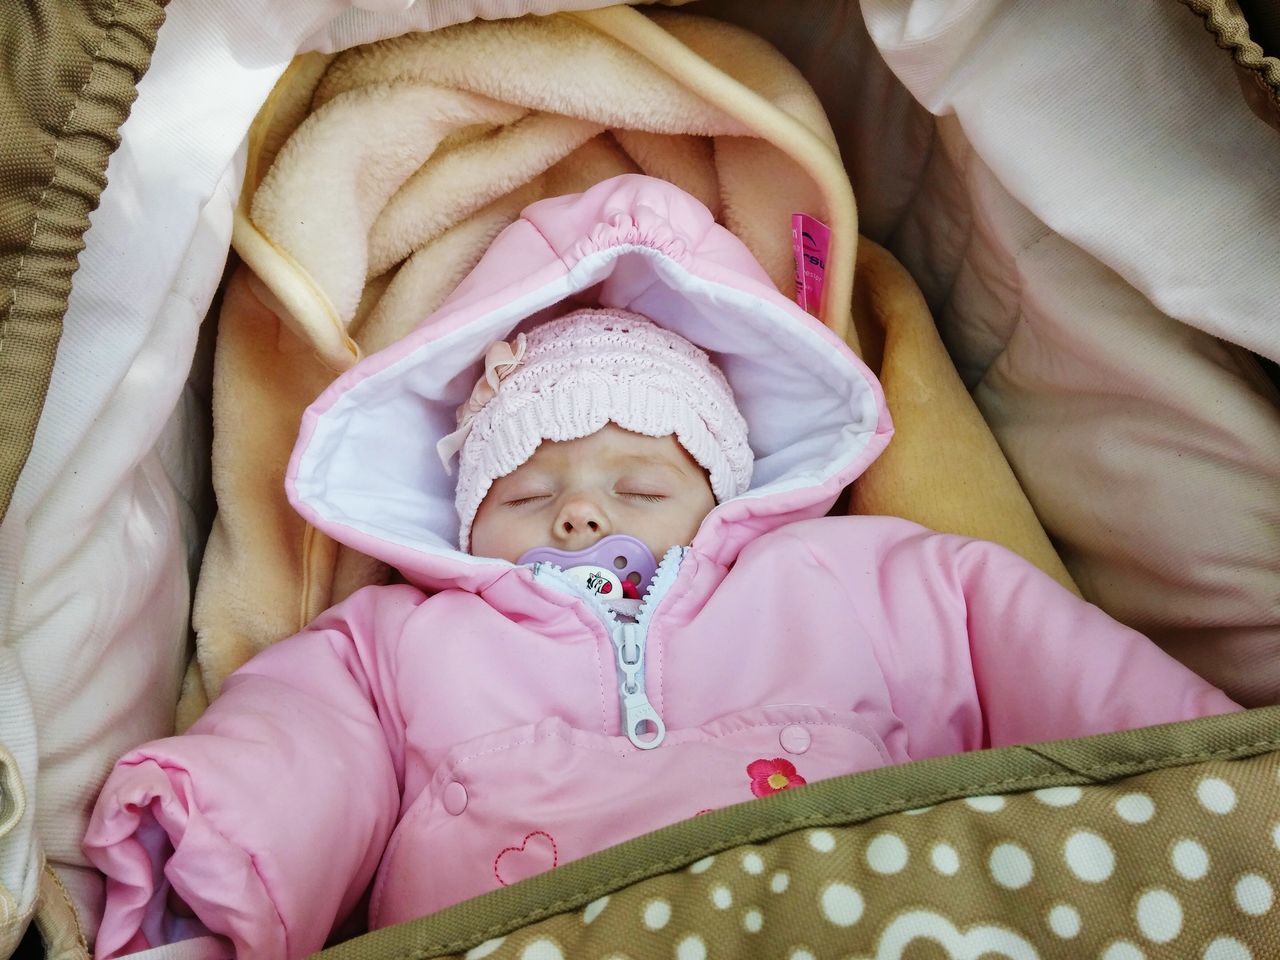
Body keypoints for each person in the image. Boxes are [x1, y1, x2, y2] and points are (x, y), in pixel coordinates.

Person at [84, 175, 1239, 960]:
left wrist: (1205, 775)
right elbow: (301, 745)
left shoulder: (846, 577)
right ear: (461, 519)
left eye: (639, 487)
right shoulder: (398, 643)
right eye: (527, 495)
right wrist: (216, 851)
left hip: (845, 900)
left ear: (725, 491)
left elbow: (1034, 649)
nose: (582, 516)